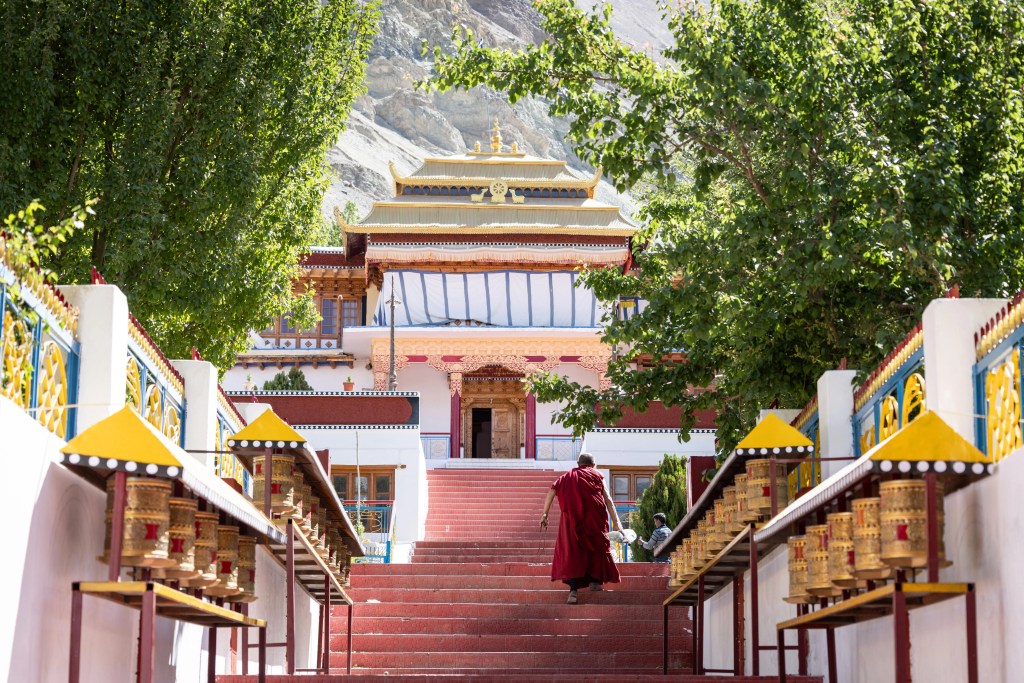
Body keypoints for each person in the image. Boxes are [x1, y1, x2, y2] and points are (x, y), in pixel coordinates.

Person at [540, 452, 623, 604]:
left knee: (574, 552)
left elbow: (552, 491)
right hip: (595, 520)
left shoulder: (567, 477)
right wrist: (617, 523)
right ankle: (594, 582)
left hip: (573, 522)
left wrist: (544, 515)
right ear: (593, 465)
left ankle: (573, 592)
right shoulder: (596, 475)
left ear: (578, 464)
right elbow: (608, 499)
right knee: (596, 548)